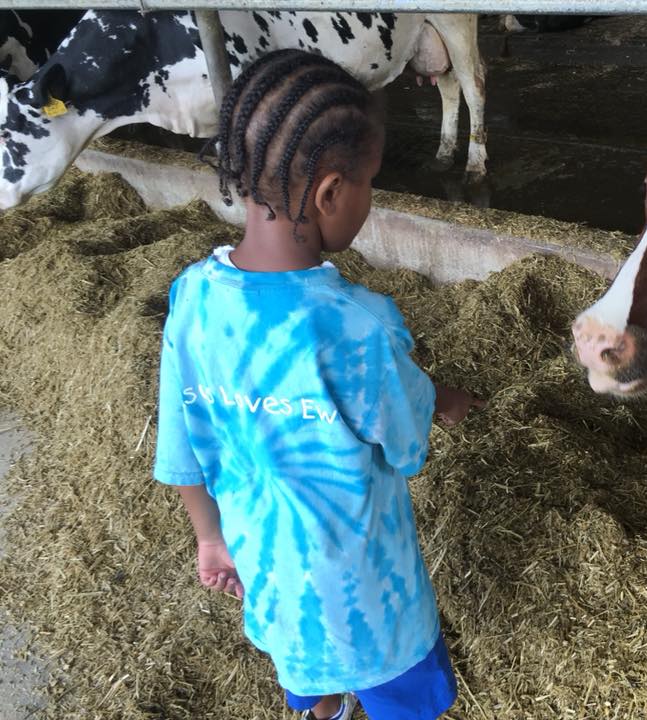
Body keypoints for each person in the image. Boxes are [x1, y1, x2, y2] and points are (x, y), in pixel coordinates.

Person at [153, 49, 482, 720]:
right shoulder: (357, 326)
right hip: (374, 603)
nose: (367, 200)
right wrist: (448, 401)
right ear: (332, 193)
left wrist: (210, 539)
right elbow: (405, 443)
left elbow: (182, 445)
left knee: (307, 677)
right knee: (402, 697)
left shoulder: (191, 299)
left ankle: (323, 710)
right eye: (369, 184)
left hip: (270, 579)